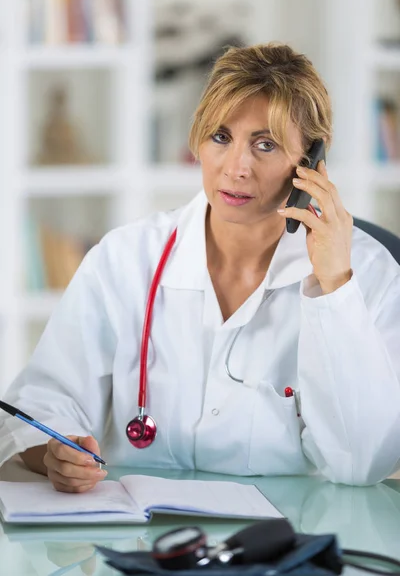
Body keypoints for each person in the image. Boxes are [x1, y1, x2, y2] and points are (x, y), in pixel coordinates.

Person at [1, 43, 400, 492]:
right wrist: (56, 454)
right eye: (221, 137)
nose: (236, 168)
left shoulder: (366, 275)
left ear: (311, 164)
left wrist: (334, 287)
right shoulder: (126, 259)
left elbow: (364, 464)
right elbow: (39, 406)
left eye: (265, 145)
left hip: (285, 544)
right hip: (144, 542)